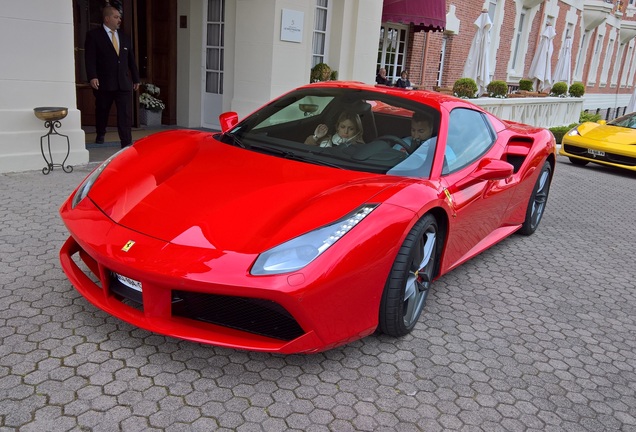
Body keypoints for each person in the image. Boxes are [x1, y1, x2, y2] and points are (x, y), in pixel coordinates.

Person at [85, 5, 140, 148]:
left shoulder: (124, 37)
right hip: (104, 82)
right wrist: (92, 76)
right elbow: (89, 58)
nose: (119, 20)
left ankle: (126, 142)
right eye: (116, 17)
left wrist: (136, 78)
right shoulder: (94, 35)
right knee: (102, 110)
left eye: (120, 17)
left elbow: (131, 59)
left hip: (123, 82)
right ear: (107, 18)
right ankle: (100, 132)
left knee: (125, 114)